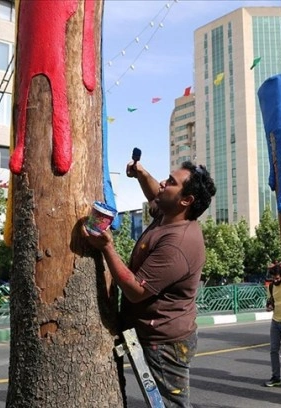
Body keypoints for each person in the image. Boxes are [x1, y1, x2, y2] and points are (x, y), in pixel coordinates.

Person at [83, 159, 216, 408]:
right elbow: (156, 192)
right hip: (146, 330)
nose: (164, 183)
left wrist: (107, 248)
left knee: (170, 405)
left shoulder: (178, 243)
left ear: (186, 201)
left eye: (172, 183)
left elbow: (136, 290)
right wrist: (142, 174)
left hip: (165, 341)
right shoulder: (169, 214)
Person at [263, 262, 281, 387]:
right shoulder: (271, 287)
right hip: (275, 321)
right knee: (273, 350)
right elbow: (270, 302)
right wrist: (269, 306)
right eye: (273, 278)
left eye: (277, 277)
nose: (275, 280)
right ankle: (276, 377)